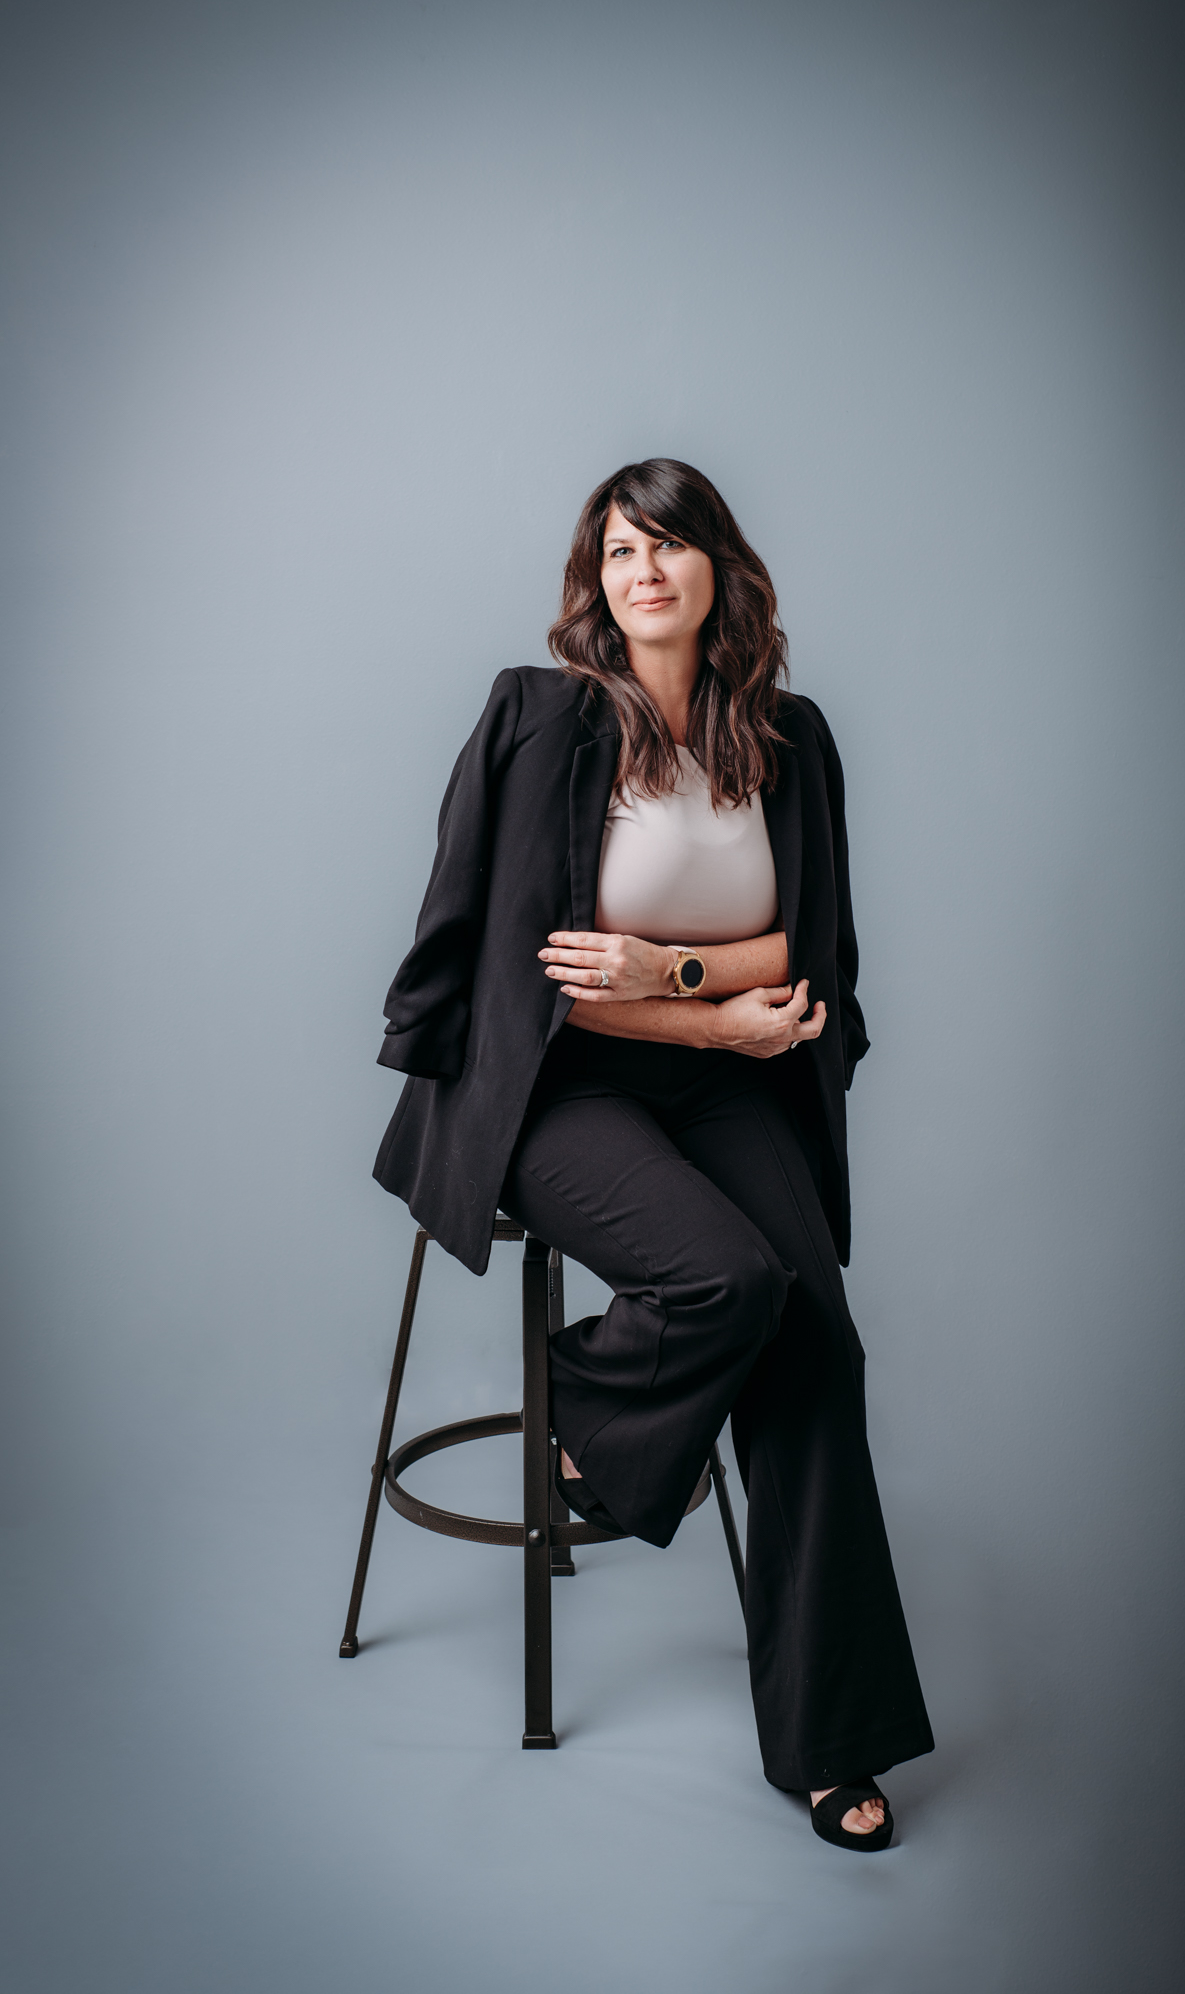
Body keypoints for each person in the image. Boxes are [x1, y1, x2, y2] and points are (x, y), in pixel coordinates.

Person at [373, 458, 933, 1849]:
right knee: (730, 1286)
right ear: (597, 584)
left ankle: (830, 1741)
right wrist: (706, 999)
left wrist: (686, 978)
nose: (644, 570)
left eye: (671, 546)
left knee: (819, 1347)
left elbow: (807, 945)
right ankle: (588, 1422)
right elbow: (538, 974)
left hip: (732, 1072)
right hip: (563, 1090)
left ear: (719, 572)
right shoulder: (543, 721)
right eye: (620, 550)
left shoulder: (788, 741)